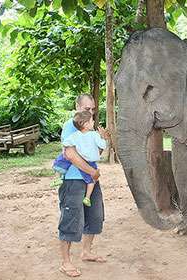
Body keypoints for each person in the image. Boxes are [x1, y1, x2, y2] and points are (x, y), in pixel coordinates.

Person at [57, 94, 109, 277]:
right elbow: (70, 154)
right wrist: (92, 172)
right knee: (71, 218)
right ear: (77, 106)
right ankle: (65, 262)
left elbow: (96, 152)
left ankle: (86, 252)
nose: (91, 112)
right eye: (87, 109)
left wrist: (102, 139)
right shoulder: (70, 126)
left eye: (93, 109)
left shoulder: (91, 130)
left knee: (96, 215)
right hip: (74, 180)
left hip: (91, 180)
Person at [53, 111, 109, 207]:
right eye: (92, 120)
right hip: (90, 163)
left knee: (58, 162)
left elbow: (66, 143)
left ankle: (58, 178)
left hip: (81, 160)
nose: (94, 121)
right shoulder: (94, 135)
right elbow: (102, 145)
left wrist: (65, 149)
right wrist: (104, 138)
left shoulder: (75, 135)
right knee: (91, 180)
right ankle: (87, 197)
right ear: (86, 124)